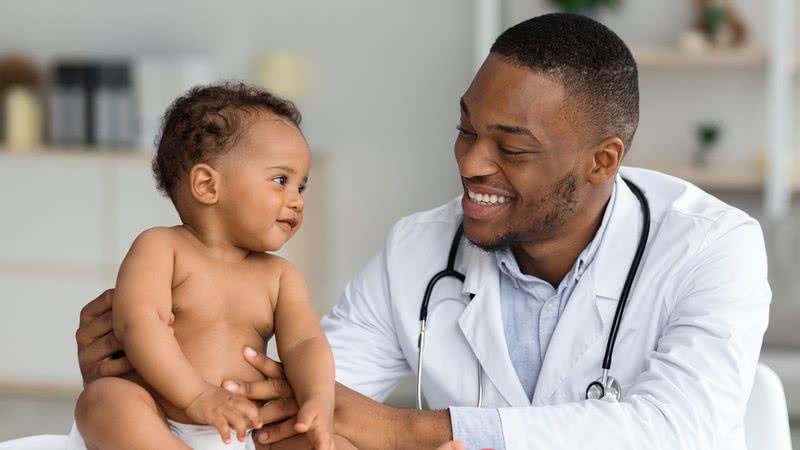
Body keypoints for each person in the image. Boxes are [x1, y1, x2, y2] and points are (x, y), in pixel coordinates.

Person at [74, 13, 771, 450]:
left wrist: (414, 431)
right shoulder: (419, 249)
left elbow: (685, 431)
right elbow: (304, 394)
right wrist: (154, 374)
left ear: (603, 160)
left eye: (512, 146)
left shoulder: (711, 246)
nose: (471, 162)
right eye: (466, 127)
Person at [71, 83, 352, 450]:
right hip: (164, 422)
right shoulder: (161, 248)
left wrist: (318, 401)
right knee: (104, 401)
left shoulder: (280, 277)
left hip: (250, 431)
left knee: (335, 444)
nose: (296, 200)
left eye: (302, 186)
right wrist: (197, 397)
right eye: (281, 180)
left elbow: (305, 344)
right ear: (207, 185)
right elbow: (139, 324)